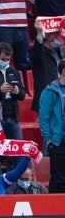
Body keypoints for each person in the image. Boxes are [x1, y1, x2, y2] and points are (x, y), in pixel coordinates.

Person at [40, 59, 65, 193]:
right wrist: (48, 139)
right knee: (58, 179)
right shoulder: (50, 91)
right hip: (58, 140)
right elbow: (44, 117)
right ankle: (56, 211)